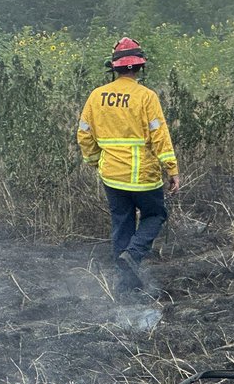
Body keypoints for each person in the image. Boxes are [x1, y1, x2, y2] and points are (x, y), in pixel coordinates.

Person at [77, 37, 180, 294]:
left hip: (112, 176)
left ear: (114, 67)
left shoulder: (96, 96)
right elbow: (160, 136)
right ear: (139, 67)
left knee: (122, 224)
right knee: (155, 215)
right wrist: (172, 169)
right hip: (143, 176)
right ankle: (132, 256)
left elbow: (84, 133)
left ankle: (125, 286)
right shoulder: (146, 97)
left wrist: (94, 160)